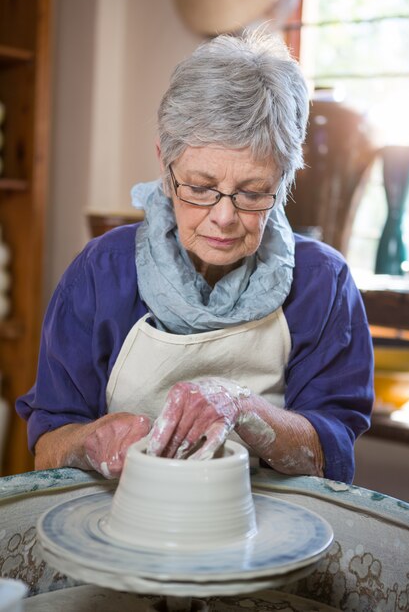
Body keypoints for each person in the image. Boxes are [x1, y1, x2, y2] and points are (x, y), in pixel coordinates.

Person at [16, 30, 373, 484]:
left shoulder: (322, 282)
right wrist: (88, 443)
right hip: (127, 521)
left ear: (283, 182)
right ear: (165, 166)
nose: (223, 218)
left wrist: (245, 408)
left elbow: (331, 454)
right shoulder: (101, 272)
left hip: (262, 529)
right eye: (200, 188)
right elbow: (46, 447)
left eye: (252, 193)